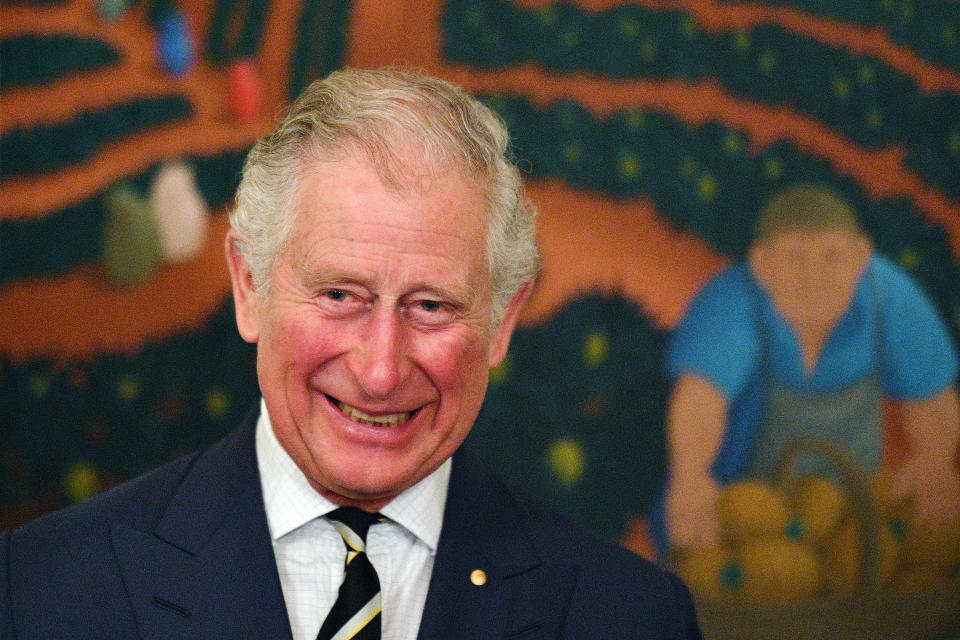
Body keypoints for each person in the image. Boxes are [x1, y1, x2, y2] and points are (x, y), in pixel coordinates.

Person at [1, 68, 703, 639]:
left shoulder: (630, 618)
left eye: (431, 306)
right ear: (249, 289)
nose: (379, 370)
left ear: (500, 323)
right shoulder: (41, 594)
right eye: (341, 295)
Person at [664, 184, 960, 551]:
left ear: (861, 256)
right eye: (795, 257)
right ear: (761, 263)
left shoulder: (892, 298)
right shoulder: (731, 301)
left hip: (858, 520)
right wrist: (691, 476)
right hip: (742, 518)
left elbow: (931, 398)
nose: (814, 276)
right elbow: (700, 396)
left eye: (832, 257)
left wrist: (935, 461)